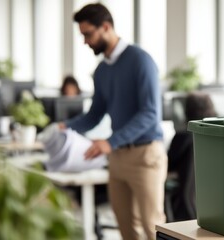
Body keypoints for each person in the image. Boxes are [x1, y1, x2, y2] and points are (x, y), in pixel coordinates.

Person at [60, 3, 167, 240]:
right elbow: (94, 114)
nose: (85, 41)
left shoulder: (141, 61)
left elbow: (150, 113)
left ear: (106, 27)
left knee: (153, 228)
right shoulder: (101, 71)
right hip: (117, 157)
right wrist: (65, 127)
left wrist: (111, 141)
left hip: (145, 155)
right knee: (127, 229)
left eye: (88, 34)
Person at [167, 92, 217, 221]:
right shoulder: (219, 136)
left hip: (186, 207)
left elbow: (169, 164)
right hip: (213, 202)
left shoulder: (183, 136)